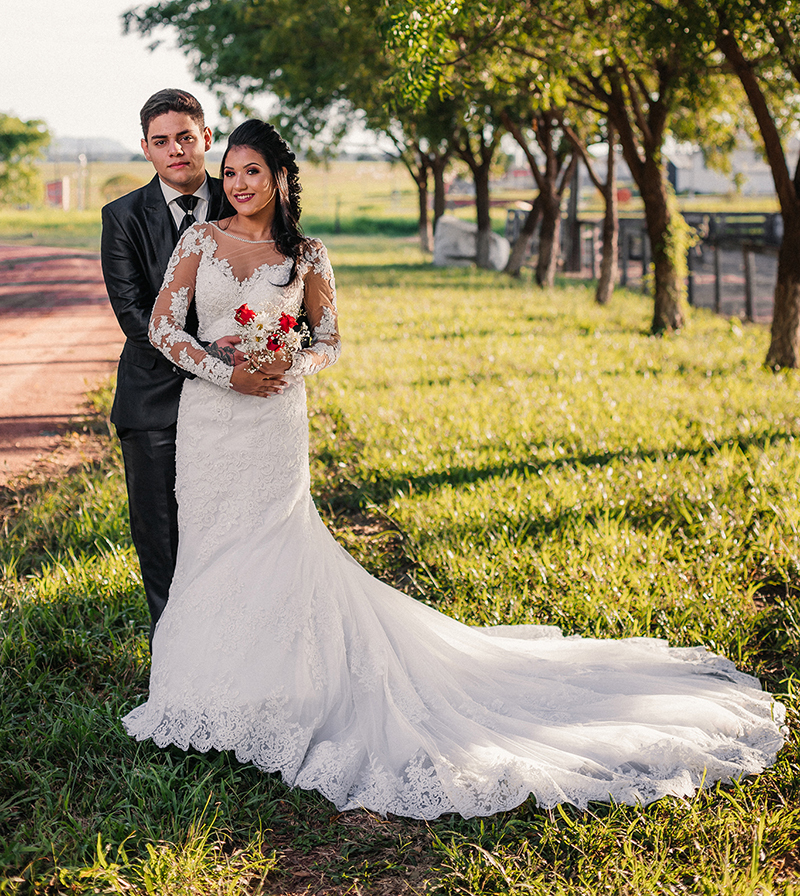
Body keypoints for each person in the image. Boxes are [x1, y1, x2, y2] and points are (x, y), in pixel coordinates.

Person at [123, 118, 785, 820]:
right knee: (212, 545)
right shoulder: (200, 240)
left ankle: (283, 692)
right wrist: (227, 372)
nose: (238, 184)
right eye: (229, 172)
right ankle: (207, 694)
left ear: (280, 177)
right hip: (213, 417)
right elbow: (165, 328)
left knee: (274, 545)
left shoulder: (309, 255)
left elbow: (331, 341)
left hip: (275, 420)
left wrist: (291, 365)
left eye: (251, 171)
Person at [101, 90, 274, 643]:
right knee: (163, 541)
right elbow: (136, 318)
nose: (175, 149)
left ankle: (241, 648)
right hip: (153, 402)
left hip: (236, 407)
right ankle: (176, 663)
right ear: (146, 150)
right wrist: (220, 360)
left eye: (185, 136)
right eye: (161, 141)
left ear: (204, 138)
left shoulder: (243, 200)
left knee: (237, 533)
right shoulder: (122, 217)